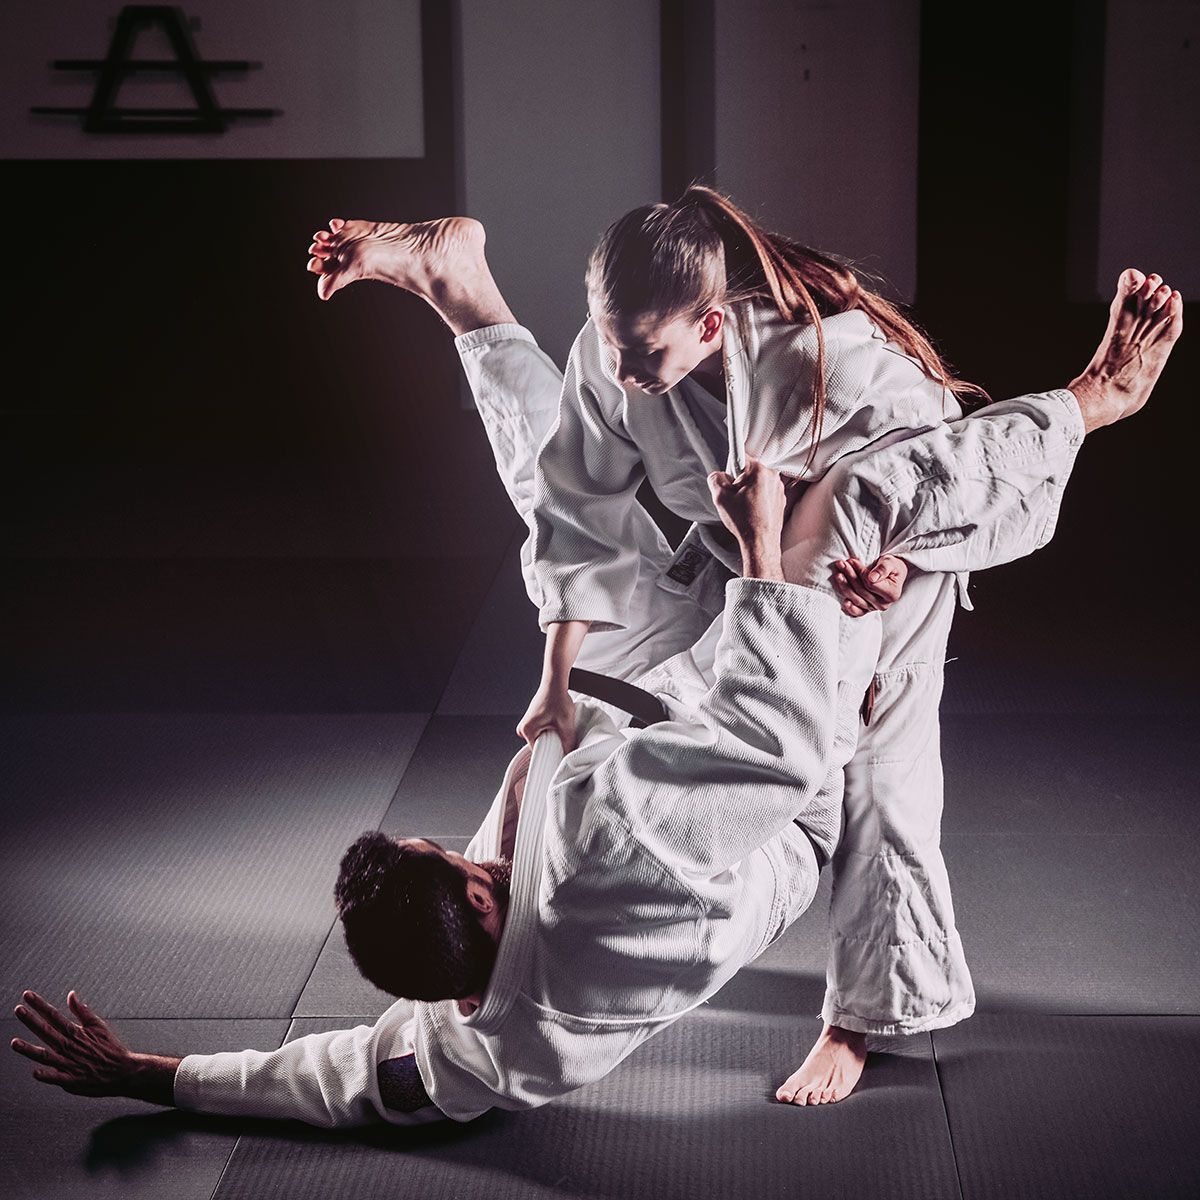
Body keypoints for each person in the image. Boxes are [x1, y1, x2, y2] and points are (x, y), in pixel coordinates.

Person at [10, 271, 1179, 1123]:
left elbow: (339, 1081)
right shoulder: (596, 841)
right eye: (459, 852)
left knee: (584, 550)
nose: (465, 842)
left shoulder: (480, 1057)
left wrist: (160, 1076)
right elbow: (774, 746)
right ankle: (1093, 400)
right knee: (853, 532)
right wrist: (777, 559)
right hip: (783, 773)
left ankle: (468, 297)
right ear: (478, 891)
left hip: (677, 728)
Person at [301, 196, 1182, 1104]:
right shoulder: (618, 354)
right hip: (732, 556)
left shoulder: (828, 367)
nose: (623, 367)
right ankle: (463, 288)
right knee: (557, 463)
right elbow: (574, 507)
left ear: (712, 323)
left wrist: (892, 566)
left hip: (870, 569)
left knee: (879, 777)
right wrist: (558, 679)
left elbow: (939, 477)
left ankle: (863, 1019)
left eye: (645, 351)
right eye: (611, 342)